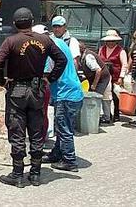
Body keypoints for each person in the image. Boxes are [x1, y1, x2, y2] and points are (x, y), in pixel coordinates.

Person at [0, 8, 67, 188]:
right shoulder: (44, 40)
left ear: (15, 23)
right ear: (31, 22)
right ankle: (35, 174)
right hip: (37, 91)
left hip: (17, 90)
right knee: (36, 131)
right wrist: (49, 78)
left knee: (17, 132)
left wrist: (3, 82)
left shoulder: (11, 41)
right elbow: (62, 60)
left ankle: (18, 175)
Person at [41, 32, 84, 172]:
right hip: (73, 92)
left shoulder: (49, 47)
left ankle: (69, 160)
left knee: (64, 128)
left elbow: (46, 73)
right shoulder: (59, 43)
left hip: (65, 94)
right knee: (62, 126)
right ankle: (57, 153)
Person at [78, 42, 112, 124]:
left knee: (96, 97)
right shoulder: (83, 56)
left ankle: (98, 118)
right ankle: (96, 117)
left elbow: (98, 70)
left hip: (102, 78)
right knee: (95, 97)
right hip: (96, 78)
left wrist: (94, 85)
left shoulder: (88, 56)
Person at [99, 29, 128, 122]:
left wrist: (121, 77)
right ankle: (107, 114)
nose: (110, 43)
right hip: (105, 77)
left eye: (112, 41)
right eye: (109, 41)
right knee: (106, 96)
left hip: (116, 76)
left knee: (116, 96)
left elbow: (124, 64)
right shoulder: (101, 49)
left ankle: (116, 113)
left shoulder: (121, 51)